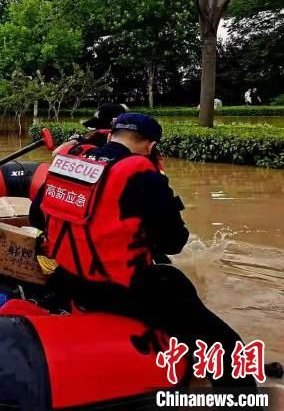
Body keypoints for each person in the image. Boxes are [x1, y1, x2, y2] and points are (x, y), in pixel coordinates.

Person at [30, 113, 257, 391]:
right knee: (226, 345)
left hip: (70, 281)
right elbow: (174, 242)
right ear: (150, 147)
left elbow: (36, 217)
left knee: (174, 281)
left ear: (111, 135)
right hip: (120, 290)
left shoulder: (68, 163)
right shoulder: (140, 174)